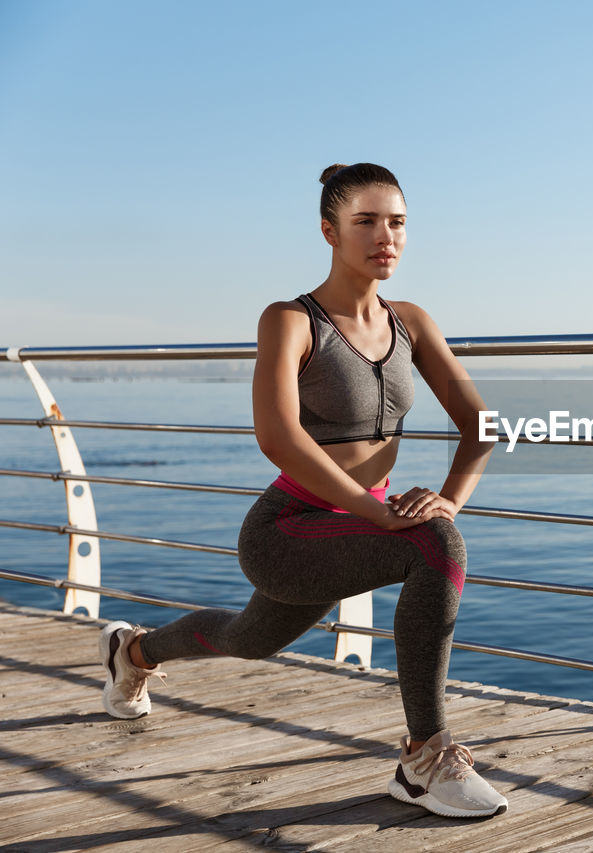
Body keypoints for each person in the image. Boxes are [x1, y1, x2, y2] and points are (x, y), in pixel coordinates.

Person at [96, 162, 507, 818]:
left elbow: (481, 426)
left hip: (355, 528)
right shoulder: (291, 319)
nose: (386, 236)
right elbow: (280, 437)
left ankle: (131, 651)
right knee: (435, 545)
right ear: (329, 231)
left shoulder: (413, 323)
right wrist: (379, 509)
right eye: (366, 221)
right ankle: (423, 758)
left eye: (397, 222)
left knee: (249, 636)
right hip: (288, 528)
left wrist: (449, 497)